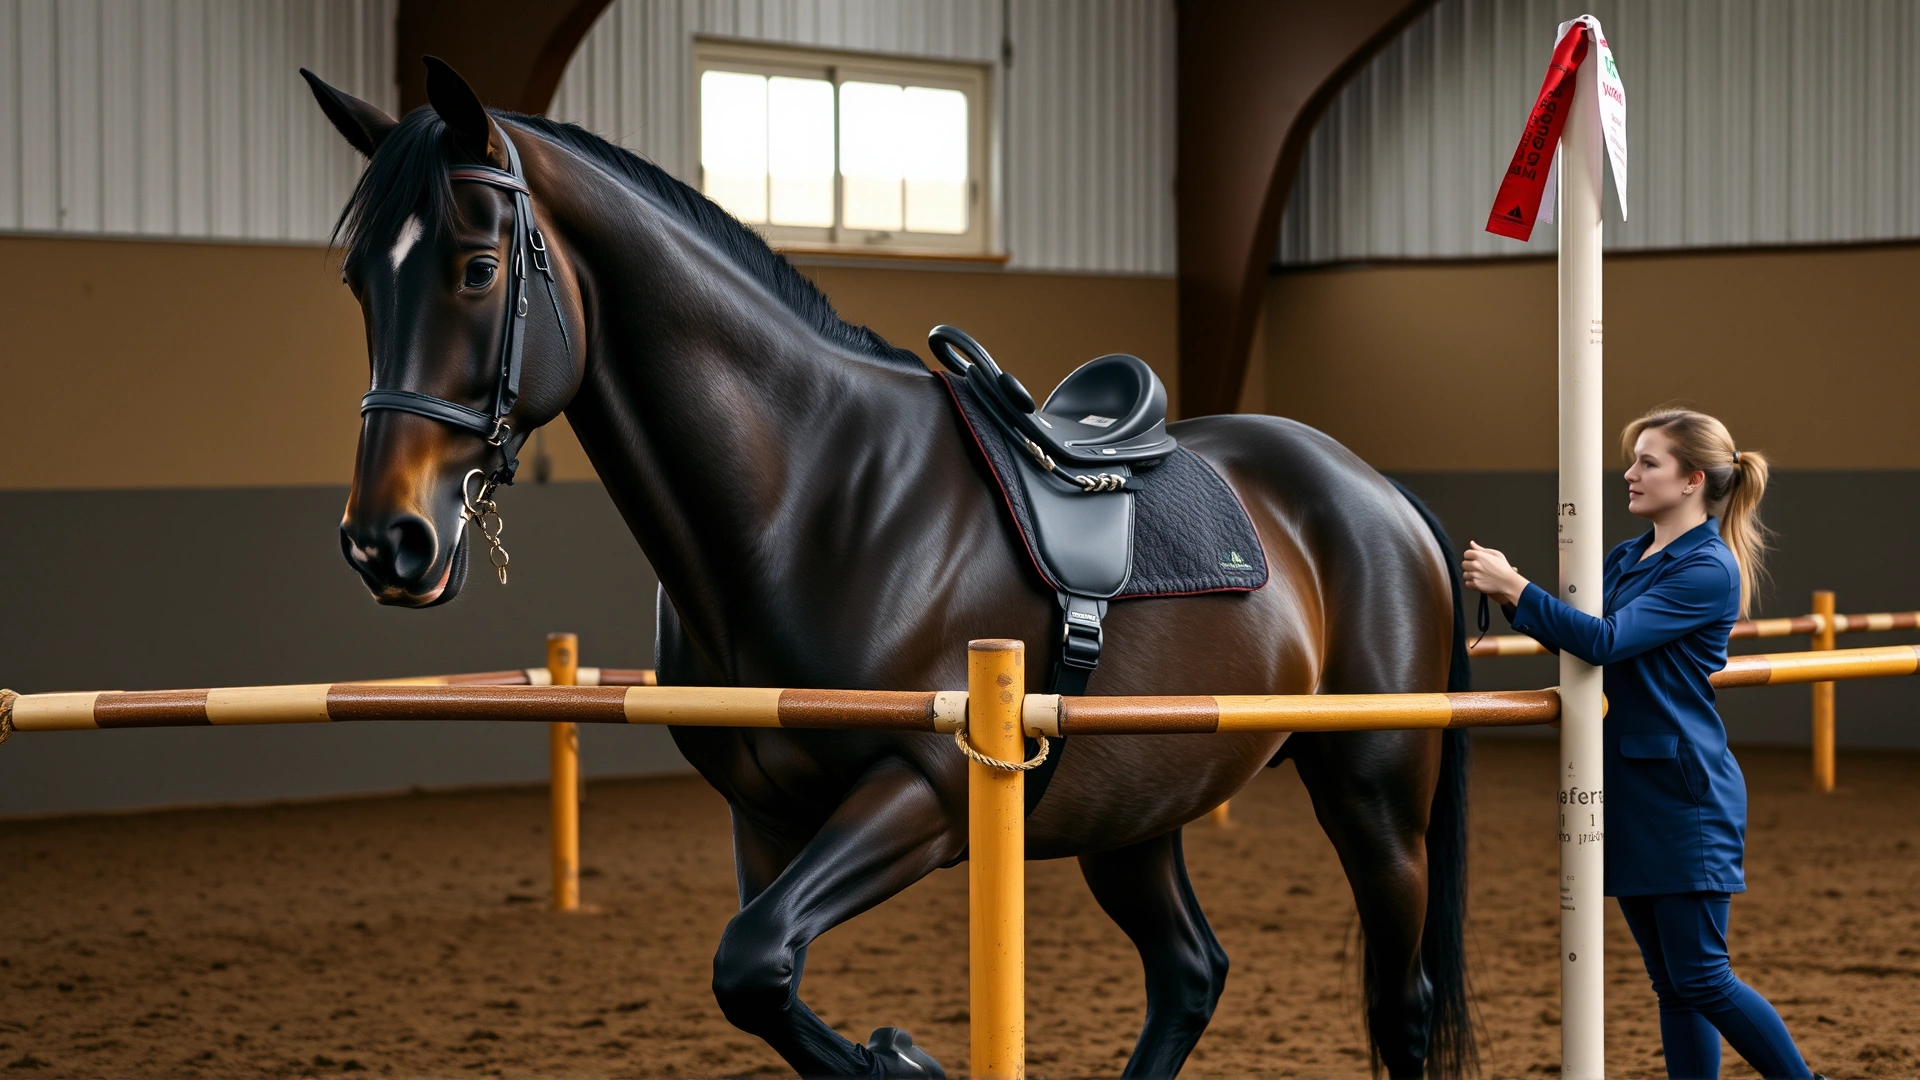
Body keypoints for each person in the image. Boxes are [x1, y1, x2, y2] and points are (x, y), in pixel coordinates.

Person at [1461, 406, 1819, 1080]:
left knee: (1704, 979)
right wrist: (1518, 600)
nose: (1628, 473)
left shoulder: (1709, 568)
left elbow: (1604, 641)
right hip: (1631, 788)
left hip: (1684, 797)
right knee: (1674, 986)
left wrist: (1516, 586)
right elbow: (1579, 637)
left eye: (1646, 461)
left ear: (1690, 481)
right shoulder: (1629, 555)